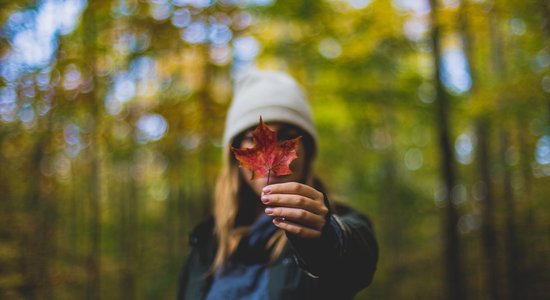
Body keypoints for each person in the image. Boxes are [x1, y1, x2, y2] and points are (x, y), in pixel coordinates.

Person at [177, 69, 378, 299]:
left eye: (286, 137)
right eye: (253, 139)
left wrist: (324, 239)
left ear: (307, 151)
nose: (270, 154)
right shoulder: (205, 246)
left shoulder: (332, 223)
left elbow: (356, 260)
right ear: (235, 156)